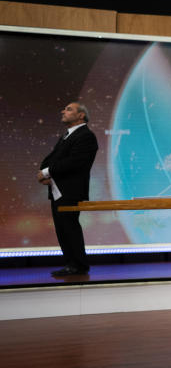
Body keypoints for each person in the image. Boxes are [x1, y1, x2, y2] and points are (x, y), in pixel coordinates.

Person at [37, 102, 99, 277]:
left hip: (70, 191)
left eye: (69, 109)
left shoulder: (85, 136)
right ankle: (71, 263)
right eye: (64, 109)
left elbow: (75, 162)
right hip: (58, 190)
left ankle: (78, 265)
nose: (63, 111)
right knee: (62, 228)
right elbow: (54, 158)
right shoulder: (68, 135)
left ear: (81, 115)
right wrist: (45, 173)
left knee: (69, 227)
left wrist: (46, 171)